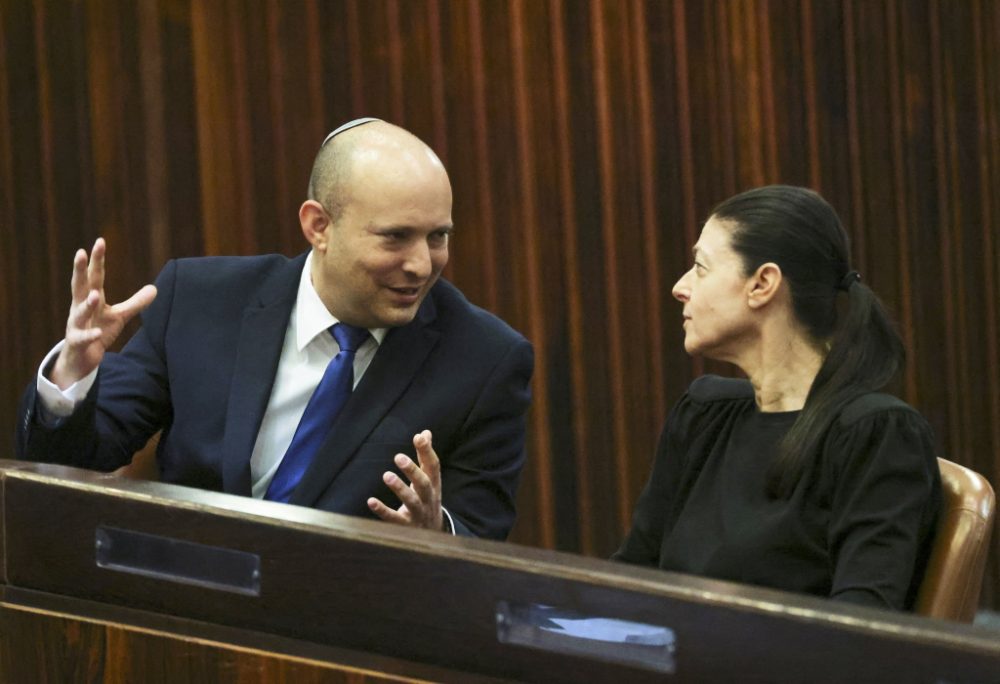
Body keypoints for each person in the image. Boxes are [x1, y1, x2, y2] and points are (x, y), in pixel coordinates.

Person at [15, 118, 533, 540]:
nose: (422, 264)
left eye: (437, 236)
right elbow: (71, 466)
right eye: (395, 237)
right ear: (318, 226)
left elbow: (481, 535)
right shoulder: (200, 300)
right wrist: (72, 379)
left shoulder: (485, 360)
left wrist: (434, 534)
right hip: (188, 607)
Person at [613, 185, 940, 610]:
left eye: (700, 267)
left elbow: (861, 632)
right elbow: (628, 580)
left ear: (762, 283)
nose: (680, 287)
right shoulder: (703, 415)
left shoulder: (874, 435)